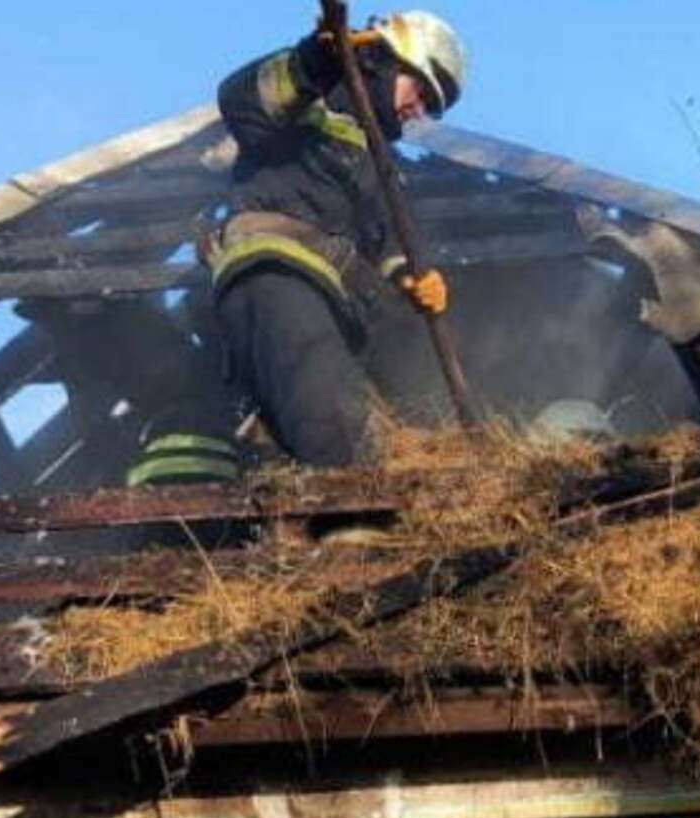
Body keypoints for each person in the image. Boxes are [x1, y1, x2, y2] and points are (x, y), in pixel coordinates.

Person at [122, 12, 468, 488]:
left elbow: (386, 233)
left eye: (432, 106)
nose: (420, 110)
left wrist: (410, 274)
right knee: (329, 410)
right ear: (384, 63)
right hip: (278, 273)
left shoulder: (384, 167)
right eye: (421, 91)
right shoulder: (308, 108)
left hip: (340, 297)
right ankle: (351, 523)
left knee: (398, 387)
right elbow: (241, 100)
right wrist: (313, 61)